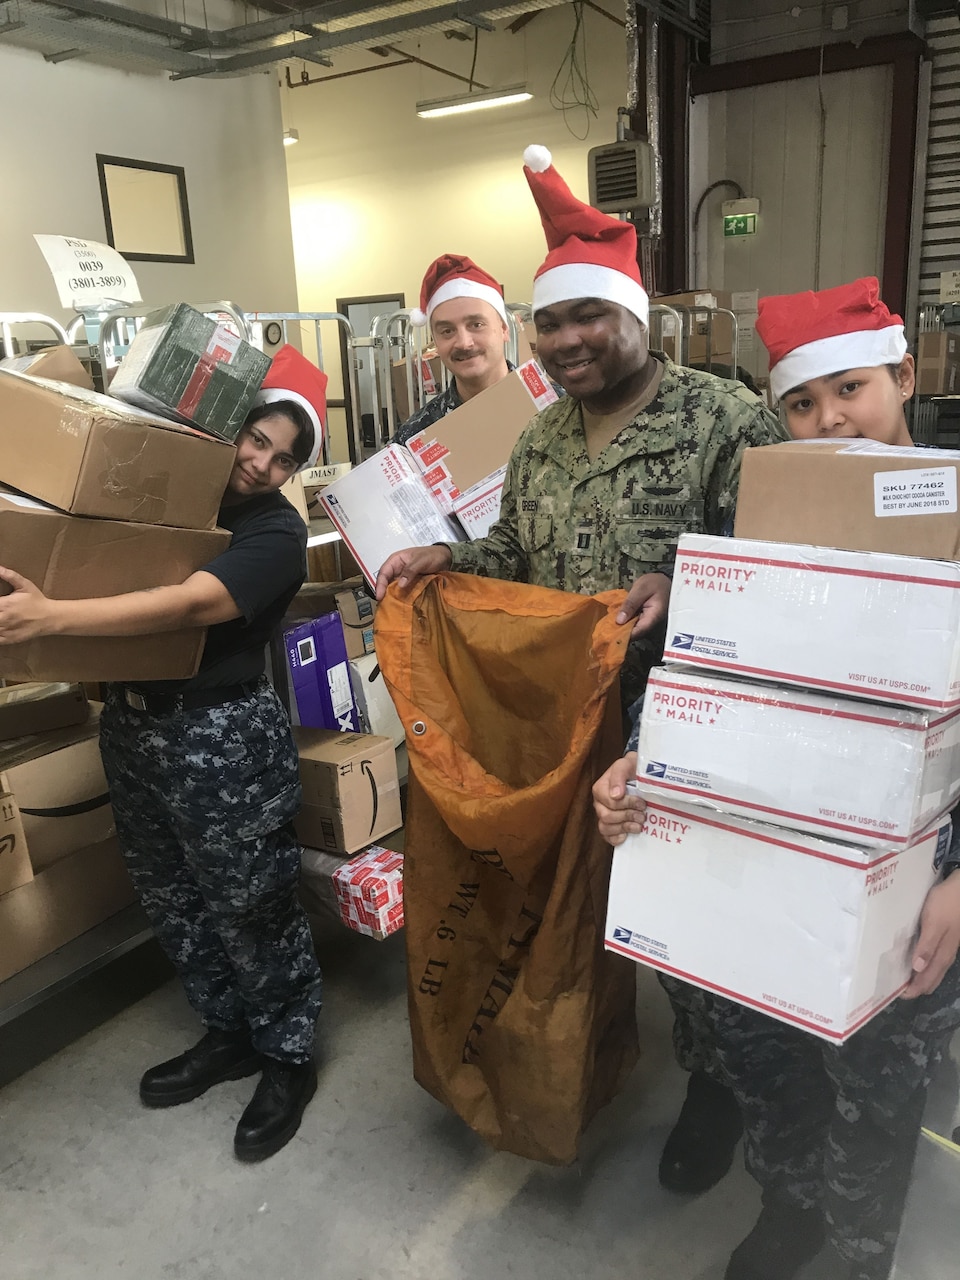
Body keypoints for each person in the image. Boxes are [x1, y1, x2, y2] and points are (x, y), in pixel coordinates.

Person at [377, 143, 787, 1191]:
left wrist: (680, 591)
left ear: (636, 314)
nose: (566, 341)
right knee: (571, 913)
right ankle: (574, 1053)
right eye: (550, 322)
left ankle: (717, 1082)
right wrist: (449, 560)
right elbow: (515, 552)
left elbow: (782, 585)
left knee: (689, 931)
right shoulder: (537, 437)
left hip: (682, 730)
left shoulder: (726, 420)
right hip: (565, 729)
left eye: (588, 317)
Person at [594, 278, 960, 1280]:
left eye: (852, 389)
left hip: (918, 874)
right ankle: (791, 1200)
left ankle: (854, 1247)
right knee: (763, 1055)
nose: (830, 419)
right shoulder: (761, 539)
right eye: (803, 404)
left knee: (875, 1082)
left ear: (906, 375)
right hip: (767, 863)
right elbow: (704, 677)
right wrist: (643, 762)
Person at [0, 344, 329, 1164]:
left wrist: (49, 622)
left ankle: (286, 1054)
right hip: (135, 724)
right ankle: (227, 1030)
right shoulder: (169, 497)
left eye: (285, 457)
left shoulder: (276, 533)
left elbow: (190, 604)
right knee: (170, 891)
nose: (261, 463)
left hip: (219, 735)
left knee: (250, 900)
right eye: (256, 438)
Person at [394, 253, 514, 445]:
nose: (464, 343)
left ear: (504, 329)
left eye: (476, 325)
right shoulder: (416, 436)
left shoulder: (557, 408)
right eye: (447, 331)